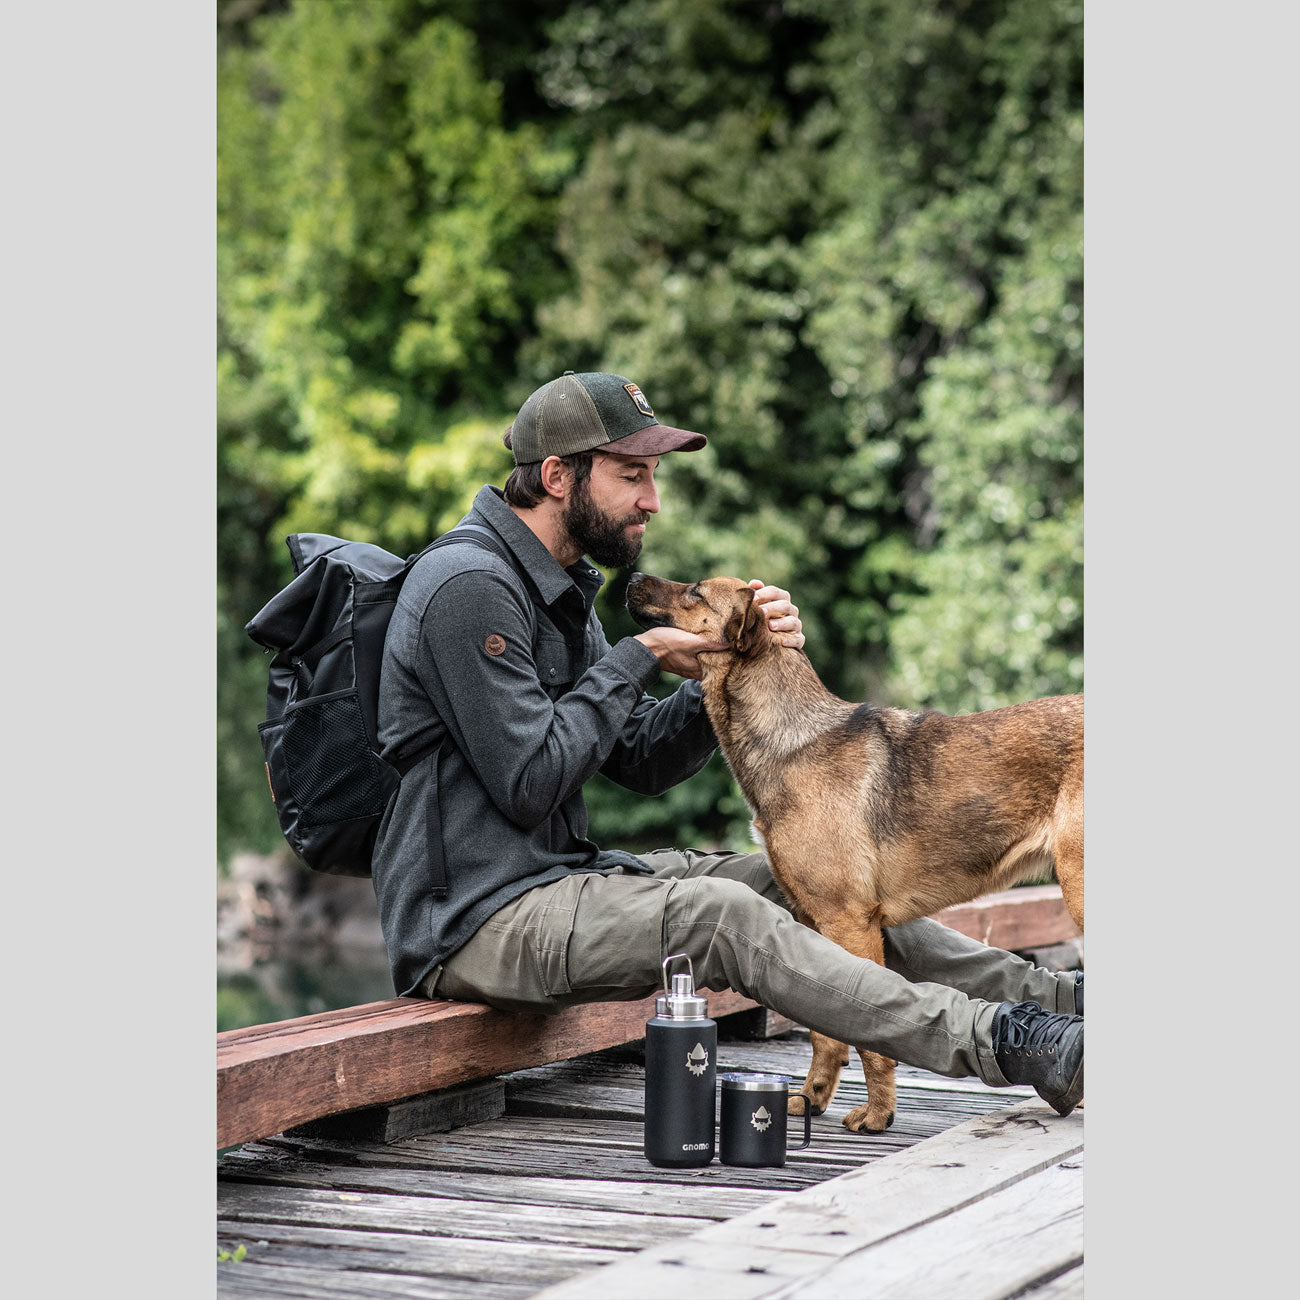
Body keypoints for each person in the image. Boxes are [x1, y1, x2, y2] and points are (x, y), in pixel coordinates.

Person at [374, 370, 1083, 1118]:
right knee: (722, 915)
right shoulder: (468, 588)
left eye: (653, 477)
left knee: (803, 886)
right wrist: (636, 656)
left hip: (562, 878)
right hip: (476, 922)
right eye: (632, 476)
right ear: (557, 476)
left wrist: (732, 667)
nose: (653, 499)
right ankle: (1021, 1043)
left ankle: (1069, 1003)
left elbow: (638, 760)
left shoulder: (557, 586)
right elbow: (529, 779)